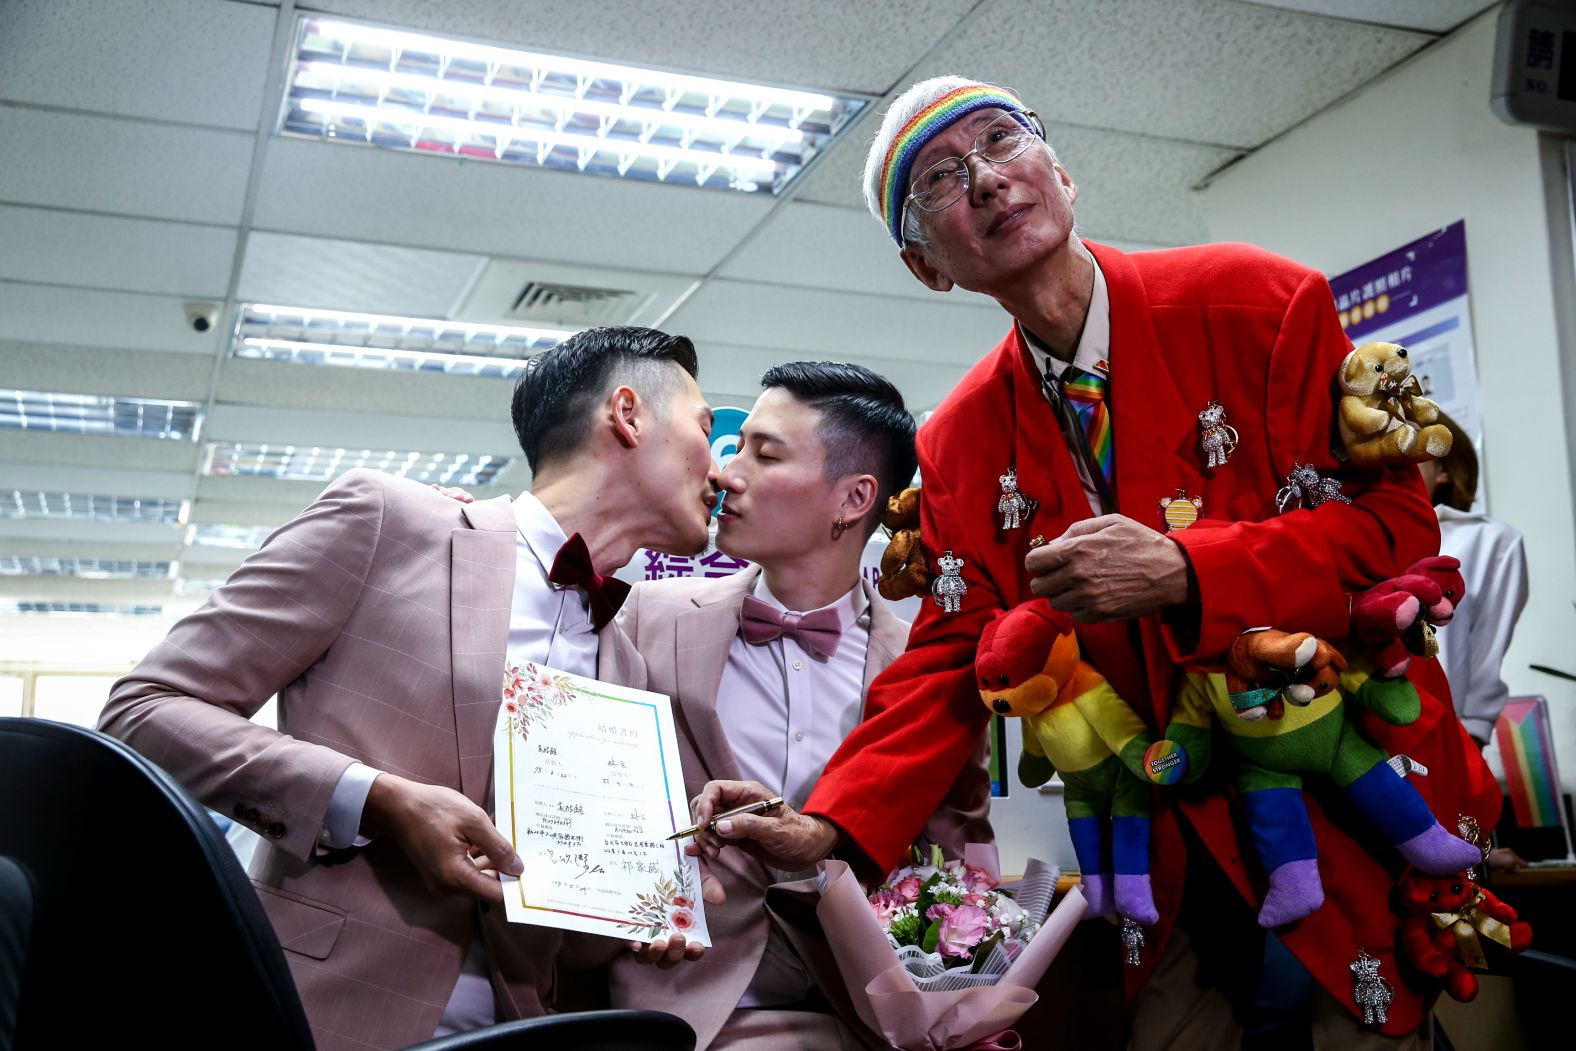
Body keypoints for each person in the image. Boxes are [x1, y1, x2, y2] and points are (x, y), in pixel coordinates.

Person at [689, 78, 1500, 1049]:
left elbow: (1395, 529)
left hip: (1333, 798)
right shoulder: (957, 442)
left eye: (1000, 141)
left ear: (1060, 171)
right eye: (942, 178)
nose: (985, 179)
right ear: (924, 265)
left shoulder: (1257, 302)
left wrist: (1187, 568)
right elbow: (954, 655)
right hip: (1154, 839)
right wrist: (829, 825)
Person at [98, 326, 720, 1051]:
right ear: (628, 413)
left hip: (515, 1033)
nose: (724, 466)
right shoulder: (390, 522)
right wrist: (379, 799)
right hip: (310, 1011)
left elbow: (572, 946)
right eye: (708, 427)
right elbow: (141, 710)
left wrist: (641, 911)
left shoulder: (628, 665)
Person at [567, 361, 993, 1050]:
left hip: (865, 1021)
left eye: (764, 454)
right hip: (677, 1010)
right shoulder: (643, 618)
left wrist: (961, 1004)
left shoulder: (929, 669)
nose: (727, 472)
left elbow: (957, 859)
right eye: (735, 446)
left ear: (854, 499)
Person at [1416, 410, 1529, 747]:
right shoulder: (1351, 535)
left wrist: (1474, 733)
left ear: (1445, 469)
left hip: (1444, 738)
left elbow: (1486, 651)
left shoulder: (1490, 541)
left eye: (1411, 448)